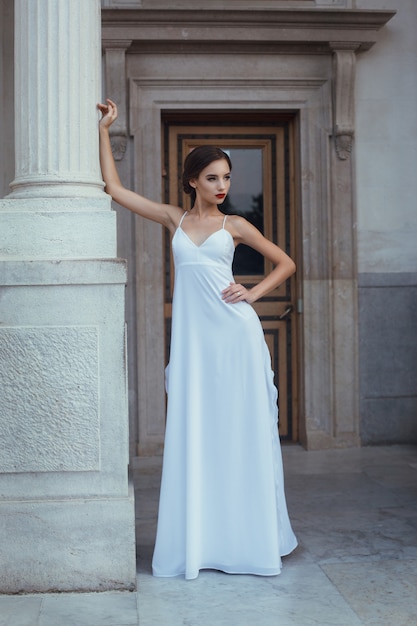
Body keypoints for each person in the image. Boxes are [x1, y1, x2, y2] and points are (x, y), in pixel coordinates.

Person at [98, 99, 298, 580]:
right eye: (212, 177)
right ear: (192, 181)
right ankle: (201, 541)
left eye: (226, 177)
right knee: (198, 433)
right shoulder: (175, 220)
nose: (222, 186)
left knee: (240, 433)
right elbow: (114, 189)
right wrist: (104, 129)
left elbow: (287, 263)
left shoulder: (237, 225)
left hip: (236, 339)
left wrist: (253, 292)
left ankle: (249, 541)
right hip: (194, 347)